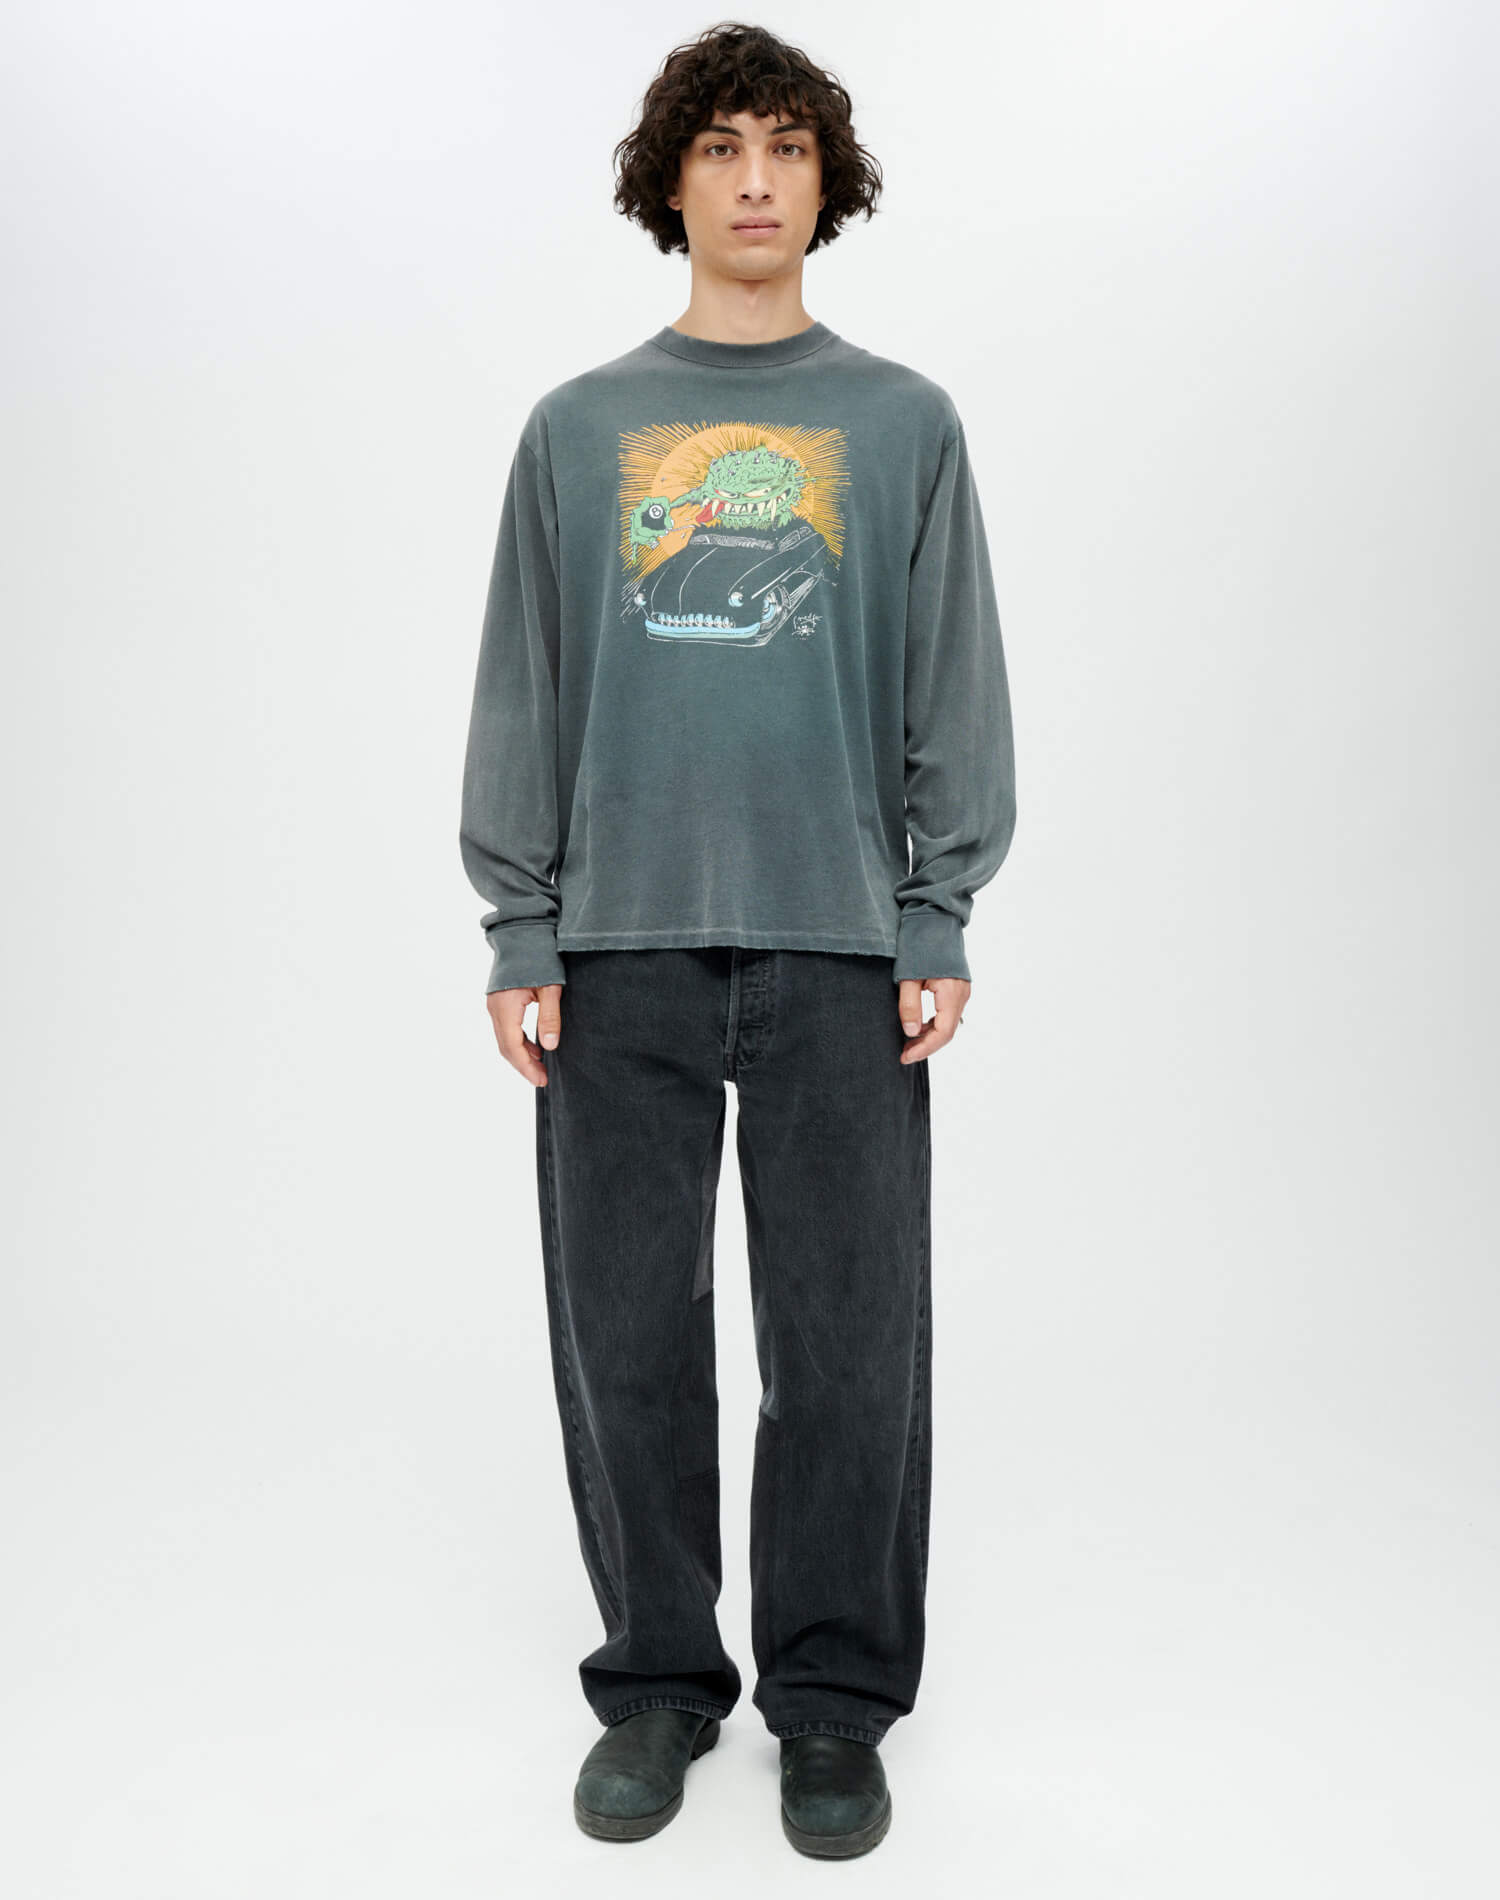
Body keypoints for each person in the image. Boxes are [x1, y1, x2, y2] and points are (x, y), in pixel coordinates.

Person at [459, 21, 1016, 1861]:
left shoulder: (904, 423)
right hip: (614, 946)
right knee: (626, 1337)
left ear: (826, 184)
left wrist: (936, 904)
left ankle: (834, 1704)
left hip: (842, 945)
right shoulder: (581, 429)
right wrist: (519, 924)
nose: (757, 178)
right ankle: (658, 1681)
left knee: (848, 1348)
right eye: (721, 146)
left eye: (787, 145)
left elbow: (953, 681)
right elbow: (525, 682)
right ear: (672, 183)